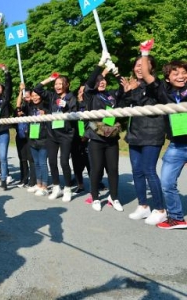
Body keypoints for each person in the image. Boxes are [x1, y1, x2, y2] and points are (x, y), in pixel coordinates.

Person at [138, 39, 187, 229]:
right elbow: (147, 74)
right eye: (176, 73)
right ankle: (176, 217)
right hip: (176, 145)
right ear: (168, 78)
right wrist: (144, 53)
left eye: (184, 73)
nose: (182, 76)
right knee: (167, 182)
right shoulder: (163, 92)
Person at [120, 55, 167, 225]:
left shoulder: (157, 84)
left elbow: (155, 94)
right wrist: (127, 92)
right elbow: (124, 108)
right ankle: (143, 205)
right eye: (136, 65)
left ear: (151, 67)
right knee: (137, 171)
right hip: (135, 134)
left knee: (149, 170)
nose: (139, 68)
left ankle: (160, 209)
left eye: (143, 65)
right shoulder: (135, 86)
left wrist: (145, 52)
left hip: (152, 133)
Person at [83, 52, 124, 212]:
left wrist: (115, 72)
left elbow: (123, 88)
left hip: (112, 138)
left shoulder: (112, 95)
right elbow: (90, 81)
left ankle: (114, 197)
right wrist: (100, 65)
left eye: (103, 80)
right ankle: (95, 197)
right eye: (98, 81)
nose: (101, 82)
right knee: (97, 169)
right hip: (96, 138)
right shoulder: (91, 96)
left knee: (113, 169)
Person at [34, 73, 78, 202]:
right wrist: (49, 79)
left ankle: (68, 188)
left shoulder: (71, 97)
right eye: (56, 84)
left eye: (60, 83)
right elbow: (37, 89)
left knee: (64, 161)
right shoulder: (52, 96)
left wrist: (66, 106)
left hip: (66, 134)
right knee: (51, 161)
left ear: (67, 85)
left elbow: (74, 113)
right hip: (52, 133)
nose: (57, 86)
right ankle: (57, 187)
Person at [25, 90, 50, 196]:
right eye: (33, 96)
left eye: (37, 95)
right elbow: (20, 104)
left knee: (43, 163)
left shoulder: (46, 105)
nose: (35, 97)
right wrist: (22, 90)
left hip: (44, 138)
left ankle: (45, 186)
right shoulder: (30, 107)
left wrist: (46, 114)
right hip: (33, 138)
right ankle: (38, 184)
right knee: (36, 163)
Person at [15, 83, 36, 188]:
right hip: (20, 135)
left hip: (30, 135)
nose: (26, 99)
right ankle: (23, 179)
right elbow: (17, 106)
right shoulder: (22, 106)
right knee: (22, 158)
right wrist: (20, 91)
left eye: (28, 97)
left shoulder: (32, 106)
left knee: (30, 158)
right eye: (25, 97)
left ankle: (33, 180)